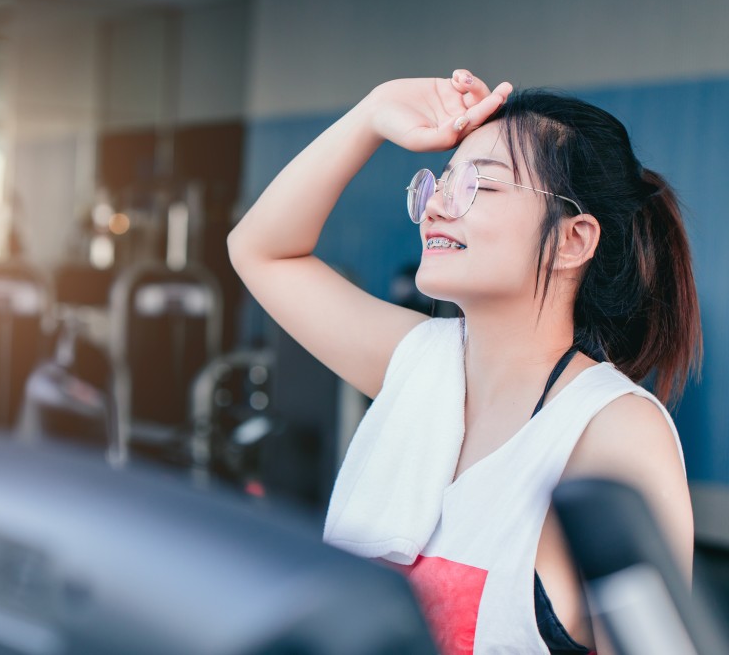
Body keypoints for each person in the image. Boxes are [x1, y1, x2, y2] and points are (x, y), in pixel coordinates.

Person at [227, 70, 701, 654]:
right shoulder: (419, 364)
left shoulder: (615, 430)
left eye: (480, 186)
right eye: (439, 183)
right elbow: (259, 250)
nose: (436, 208)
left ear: (575, 240)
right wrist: (373, 112)